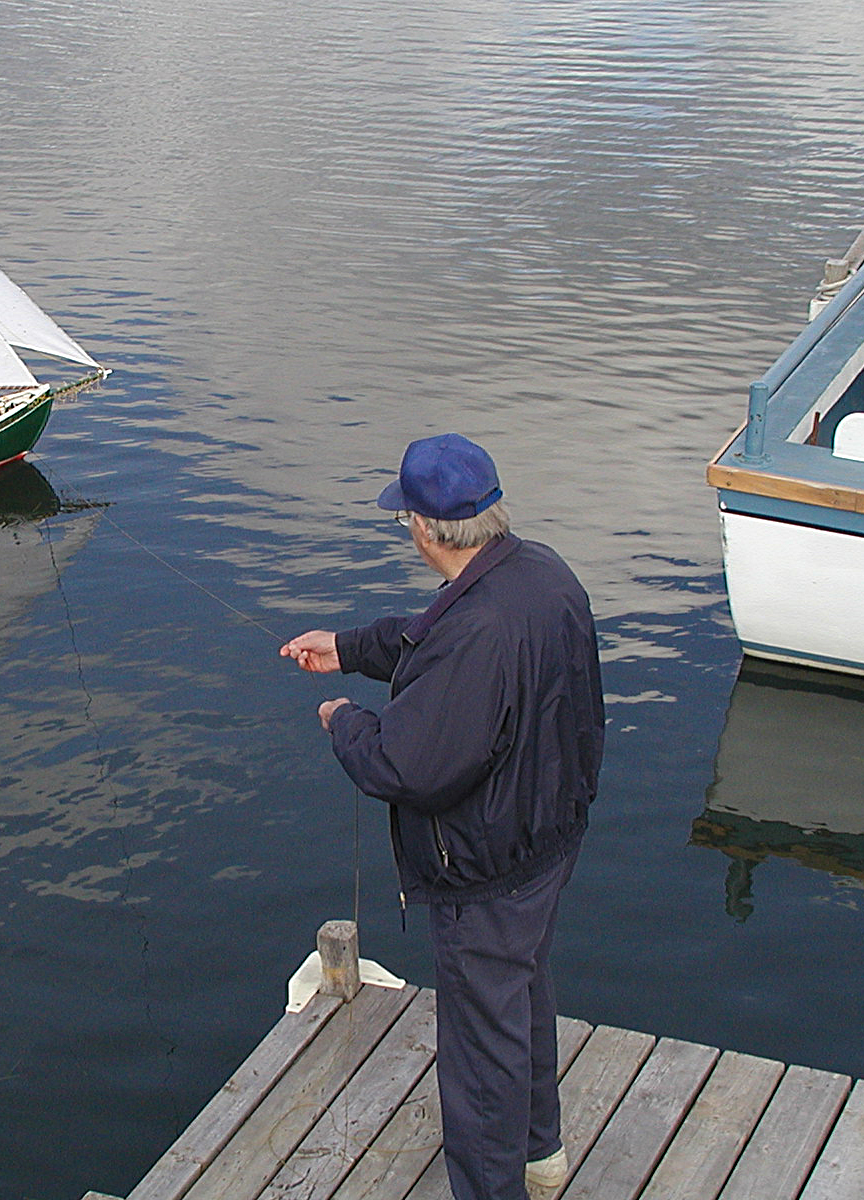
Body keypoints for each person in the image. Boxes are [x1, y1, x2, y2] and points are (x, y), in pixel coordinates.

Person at [279, 433, 604, 1200]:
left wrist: (344, 721)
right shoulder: (541, 572)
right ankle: (542, 1154)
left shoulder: (477, 632)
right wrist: (350, 646)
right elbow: (435, 639)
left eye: (406, 521)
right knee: (522, 993)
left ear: (423, 529)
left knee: (479, 1058)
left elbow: (404, 766)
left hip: (486, 876)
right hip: (549, 844)